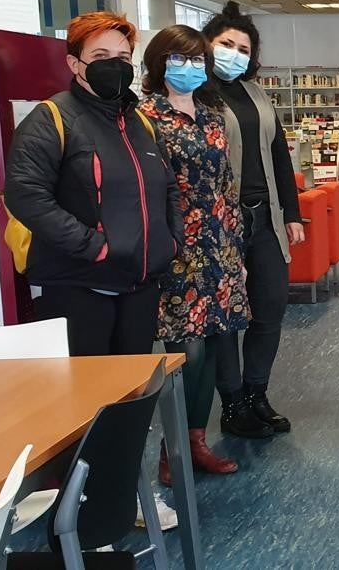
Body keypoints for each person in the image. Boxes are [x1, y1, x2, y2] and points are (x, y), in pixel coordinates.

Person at [6, 11, 181, 356]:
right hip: (78, 286)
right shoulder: (52, 118)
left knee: (134, 392)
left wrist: (170, 243)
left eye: (122, 58)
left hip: (139, 285)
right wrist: (94, 246)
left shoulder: (140, 123)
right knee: (88, 397)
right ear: (74, 63)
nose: (113, 66)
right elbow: (24, 194)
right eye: (100, 57)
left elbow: (167, 187)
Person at [138, 25, 250, 484]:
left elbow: (227, 184)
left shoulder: (212, 116)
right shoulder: (146, 117)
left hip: (220, 246)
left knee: (222, 343)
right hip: (178, 251)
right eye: (180, 59)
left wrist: (236, 246)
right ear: (159, 62)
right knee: (190, 352)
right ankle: (172, 449)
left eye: (198, 60)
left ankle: (197, 440)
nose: (191, 68)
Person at [203, 2, 304, 441]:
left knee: (271, 305)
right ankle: (233, 404)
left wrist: (293, 213)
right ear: (207, 46)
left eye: (243, 48)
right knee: (225, 314)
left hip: (265, 216)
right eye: (226, 44)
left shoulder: (257, 93)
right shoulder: (199, 95)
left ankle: (257, 391)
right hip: (219, 223)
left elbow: (280, 156)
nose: (235, 53)